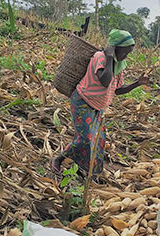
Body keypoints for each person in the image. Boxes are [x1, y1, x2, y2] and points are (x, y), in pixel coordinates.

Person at [51, 29, 149, 176]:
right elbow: (105, 80)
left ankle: (85, 170)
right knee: (84, 139)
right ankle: (58, 160)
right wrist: (109, 57)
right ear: (115, 48)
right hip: (83, 102)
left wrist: (137, 83)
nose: (126, 56)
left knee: (97, 141)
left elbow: (118, 89)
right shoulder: (100, 58)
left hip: (98, 107)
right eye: (125, 52)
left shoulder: (118, 64)